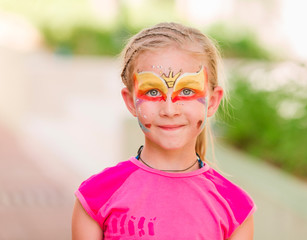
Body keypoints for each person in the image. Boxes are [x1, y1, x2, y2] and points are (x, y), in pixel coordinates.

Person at [72, 22, 256, 240]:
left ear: (213, 101)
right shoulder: (96, 196)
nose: (169, 110)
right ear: (131, 102)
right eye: (152, 91)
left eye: (187, 91)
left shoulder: (236, 209)